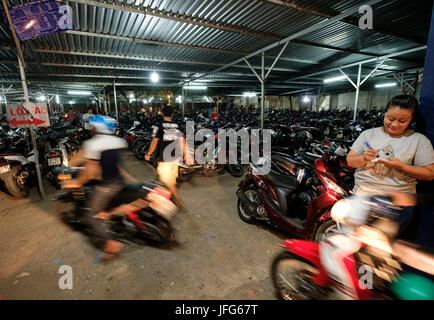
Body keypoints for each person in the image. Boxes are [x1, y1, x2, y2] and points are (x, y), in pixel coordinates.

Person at [346, 94, 434, 235]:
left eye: (402, 121)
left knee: (376, 248)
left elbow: (429, 174)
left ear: (411, 119)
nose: (394, 124)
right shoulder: (368, 134)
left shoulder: (419, 140)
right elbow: (350, 160)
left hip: (396, 206)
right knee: (350, 240)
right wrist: (363, 158)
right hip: (361, 198)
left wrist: (402, 167)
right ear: (385, 113)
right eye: (390, 118)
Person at [62, 115, 136, 260]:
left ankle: (112, 243)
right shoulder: (118, 142)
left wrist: (76, 183)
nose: (91, 129)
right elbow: (118, 166)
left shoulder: (93, 144)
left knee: (90, 213)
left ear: (97, 128)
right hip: (119, 181)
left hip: (107, 186)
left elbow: (90, 172)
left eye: (93, 127)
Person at [145, 105, 185, 209]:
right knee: (170, 180)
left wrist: (149, 154)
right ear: (172, 114)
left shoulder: (159, 126)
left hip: (165, 159)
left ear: (162, 114)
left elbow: (154, 142)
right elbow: (182, 142)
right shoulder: (178, 126)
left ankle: (177, 198)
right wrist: (186, 155)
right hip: (176, 158)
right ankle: (169, 197)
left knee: (166, 181)